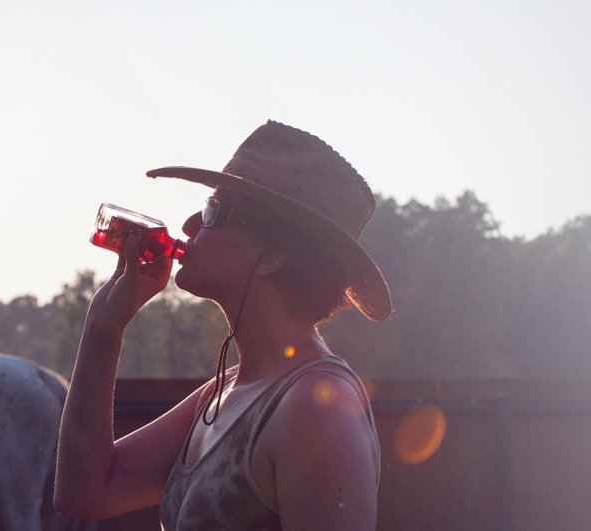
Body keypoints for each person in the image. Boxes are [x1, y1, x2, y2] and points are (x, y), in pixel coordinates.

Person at [54, 120, 392, 530]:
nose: (190, 225)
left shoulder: (316, 408)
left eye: (213, 211)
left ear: (270, 255)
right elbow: (85, 492)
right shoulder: (223, 393)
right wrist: (103, 327)